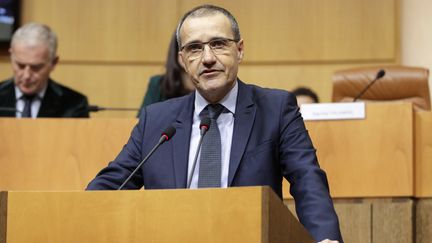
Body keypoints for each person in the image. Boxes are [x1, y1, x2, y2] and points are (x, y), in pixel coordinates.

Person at [87, 5, 342, 243]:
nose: (207, 58)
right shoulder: (157, 120)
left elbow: (307, 179)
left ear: (240, 50)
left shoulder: (275, 108)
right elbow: (113, 184)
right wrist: (77, 214)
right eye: (195, 48)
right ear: (182, 59)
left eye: (218, 44)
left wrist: (325, 238)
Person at [0, 23, 89, 118]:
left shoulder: (74, 104)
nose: (26, 76)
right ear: (11, 56)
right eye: (20, 66)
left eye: (36, 67)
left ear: (54, 62)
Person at [138, 33, 194, 116]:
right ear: (179, 54)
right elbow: (142, 122)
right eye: (193, 48)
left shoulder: (213, 86)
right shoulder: (158, 84)